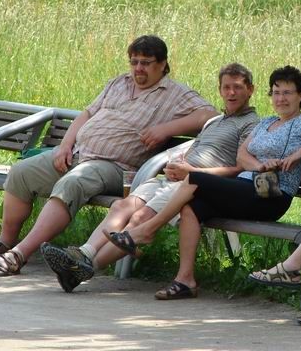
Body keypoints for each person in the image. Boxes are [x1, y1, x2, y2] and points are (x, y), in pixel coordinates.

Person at [0, 35, 218, 275]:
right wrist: (64, 145)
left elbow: (209, 116)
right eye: (134, 62)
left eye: (146, 63)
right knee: (21, 173)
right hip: (77, 153)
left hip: (113, 166)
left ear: (163, 64)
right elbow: (87, 114)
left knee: (73, 182)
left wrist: (167, 129)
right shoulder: (119, 83)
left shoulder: (175, 93)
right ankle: (4, 243)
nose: (138, 68)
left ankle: (20, 254)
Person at [104, 65, 301, 299]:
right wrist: (259, 166)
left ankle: (146, 230)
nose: (281, 98)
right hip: (247, 187)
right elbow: (242, 156)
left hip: (271, 196)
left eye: (288, 93)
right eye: (277, 92)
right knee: (192, 208)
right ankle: (185, 280)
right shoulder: (266, 122)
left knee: (196, 178)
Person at [39, 63, 259, 292]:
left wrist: (192, 173)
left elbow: (238, 169)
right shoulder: (214, 121)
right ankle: (84, 254)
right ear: (220, 90)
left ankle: (84, 267)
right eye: (226, 88)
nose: (231, 93)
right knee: (122, 207)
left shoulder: (252, 124)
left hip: (197, 184)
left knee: (140, 218)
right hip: (175, 177)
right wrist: (176, 163)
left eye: (237, 88)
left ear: (250, 90)